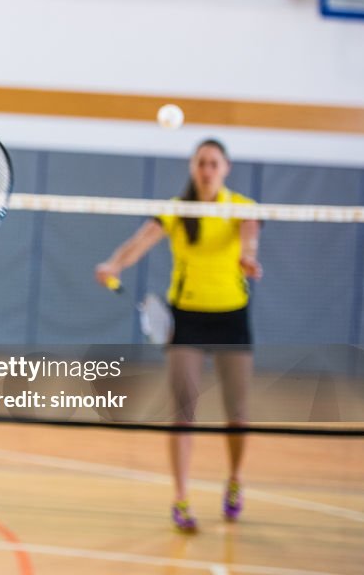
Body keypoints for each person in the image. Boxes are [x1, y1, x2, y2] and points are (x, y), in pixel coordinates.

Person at [94, 139, 262, 533]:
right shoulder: (176, 210)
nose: (207, 170)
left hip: (232, 318)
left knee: (238, 415)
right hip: (186, 319)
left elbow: (251, 235)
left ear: (226, 168)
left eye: (213, 163)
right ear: (193, 167)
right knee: (183, 414)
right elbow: (140, 242)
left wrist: (249, 255)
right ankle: (181, 498)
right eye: (201, 163)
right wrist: (113, 263)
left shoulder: (243, 208)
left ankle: (235, 480)